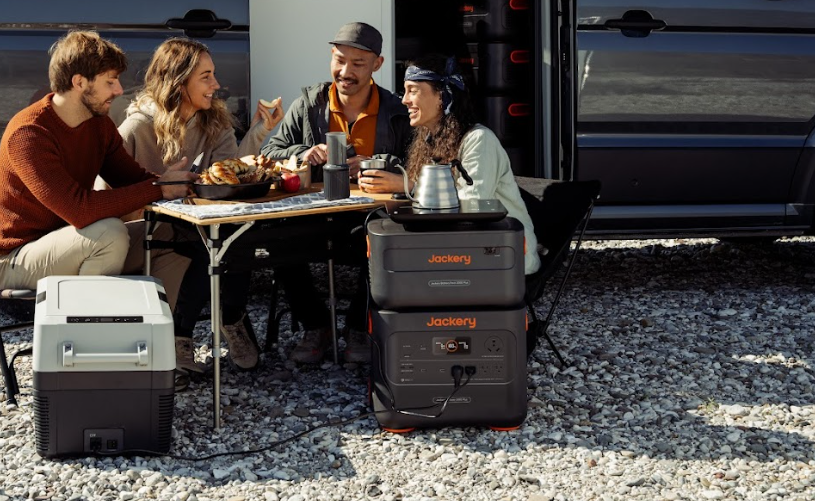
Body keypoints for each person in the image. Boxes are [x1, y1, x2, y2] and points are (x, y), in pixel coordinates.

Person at [0, 29, 196, 301]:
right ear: (80, 82)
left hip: (73, 242)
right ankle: (91, 336)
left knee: (179, 233)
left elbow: (134, 180)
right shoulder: (29, 133)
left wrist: (183, 185)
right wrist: (161, 188)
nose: (119, 90)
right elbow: (79, 210)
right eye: (111, 81)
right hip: (13, 259)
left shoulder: (98, 125)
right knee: (110, 233)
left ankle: (165, 335)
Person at [118, 38, 284, 375]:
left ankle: (232, 317)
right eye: (206, 76)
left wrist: (259, 131)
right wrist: (155, 188)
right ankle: (180, 336)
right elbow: (106, 192)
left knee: (238, 233)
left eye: (214, 75)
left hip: (196, 221)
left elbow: (229, 173)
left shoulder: (212, 121)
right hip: (143, 229)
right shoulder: (137, 127)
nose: (216, 85)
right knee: (197, 241)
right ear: (179, 82)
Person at [261, 22, 412, 364]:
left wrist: (373, 164)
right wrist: (302, 154)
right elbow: (270, 151)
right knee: (277, 238)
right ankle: (316, 325)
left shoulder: (394, 110)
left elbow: (414, 163)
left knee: (387, 241)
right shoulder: (310, 102)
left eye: (358, 64)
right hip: (315, 211)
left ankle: (359, 325)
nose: (346, 71)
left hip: (369, 214)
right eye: (340, 60)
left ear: (378, 64)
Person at [358, 54, 541, 275]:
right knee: (378, 255)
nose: (404, 100)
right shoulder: (429, 139)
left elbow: (473, 208)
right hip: (463, 249)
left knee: (392, 268)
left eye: (413, 90)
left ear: (441, 97)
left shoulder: (479, 140)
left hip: (504, 254)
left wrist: (408, 186)